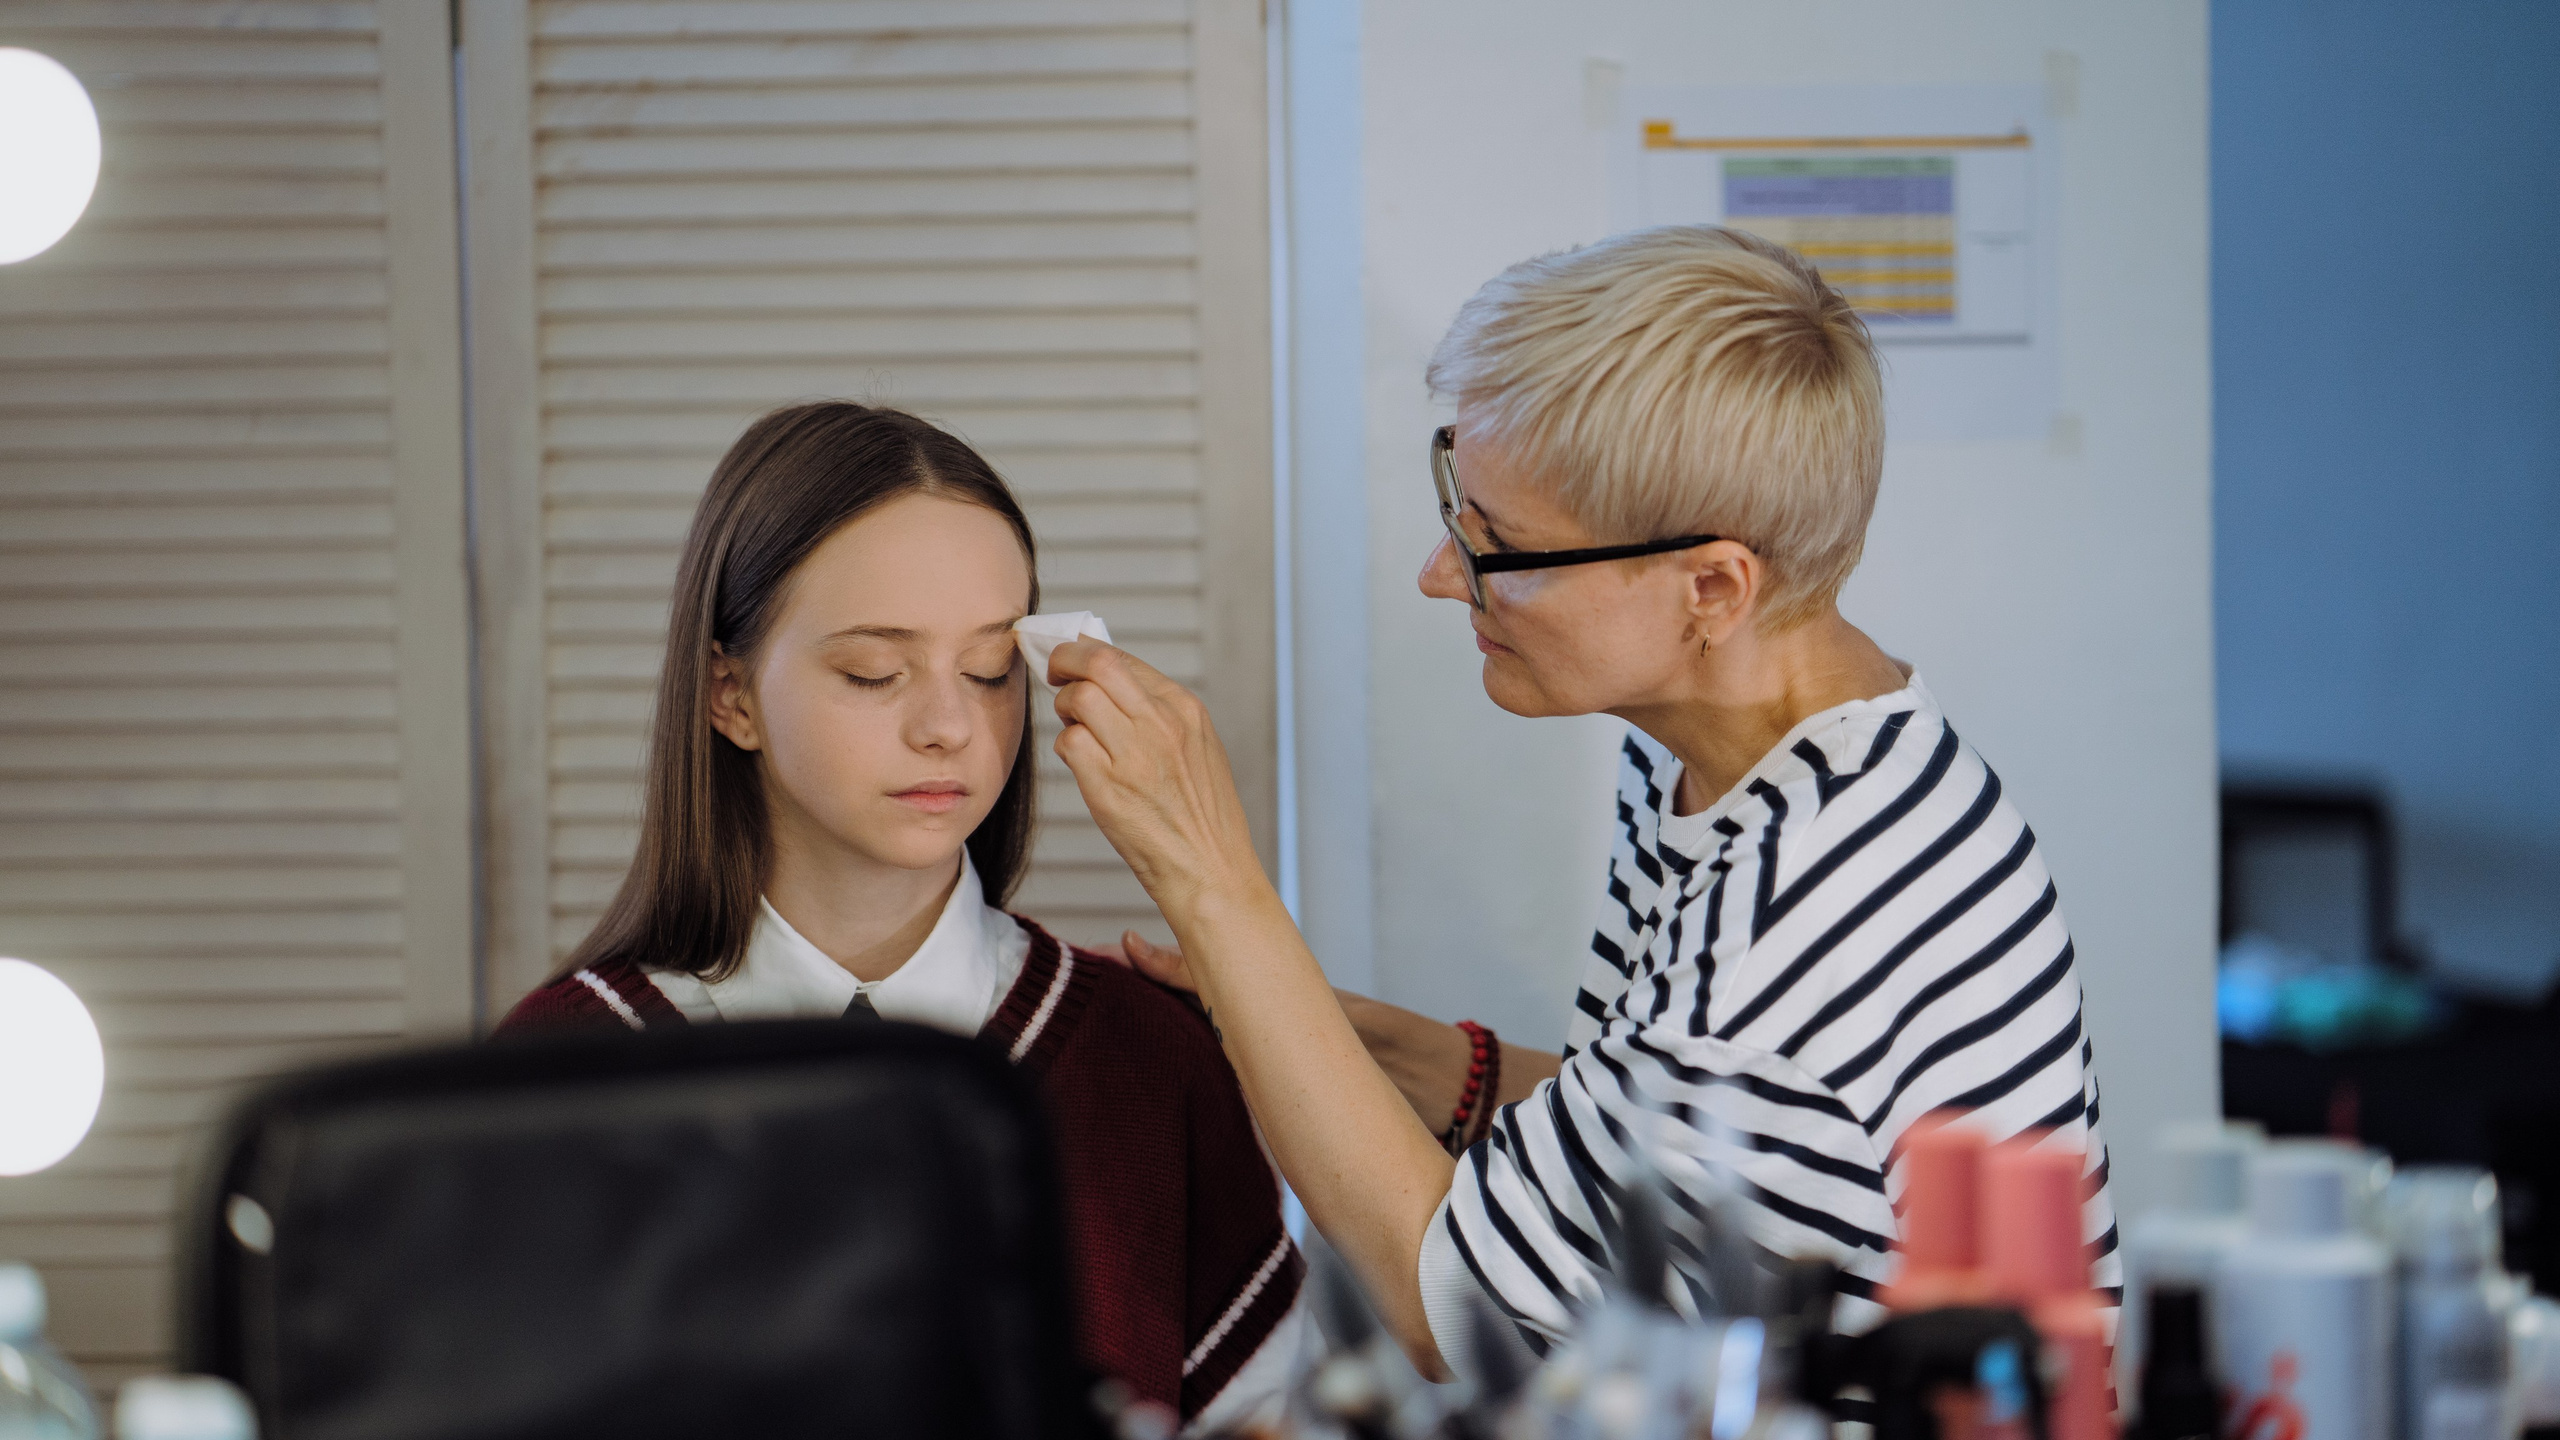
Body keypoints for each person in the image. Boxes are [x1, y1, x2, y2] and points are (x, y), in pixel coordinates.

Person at [1048, 226, 2121, 1375]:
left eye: (1500, 546)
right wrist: (1322, 1025)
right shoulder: (1784, 746)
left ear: (1710, 586)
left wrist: (1215, 884)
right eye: (1456, 496)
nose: (1438, 571)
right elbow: (1662, 1135)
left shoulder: (1793, 931)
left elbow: (1452, 1316)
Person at [497, 402, 1307, 1431]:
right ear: (729, 694)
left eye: (988, 671)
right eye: (873, 672)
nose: (948, 727)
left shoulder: (1152, 1062)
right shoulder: (554, 1081)